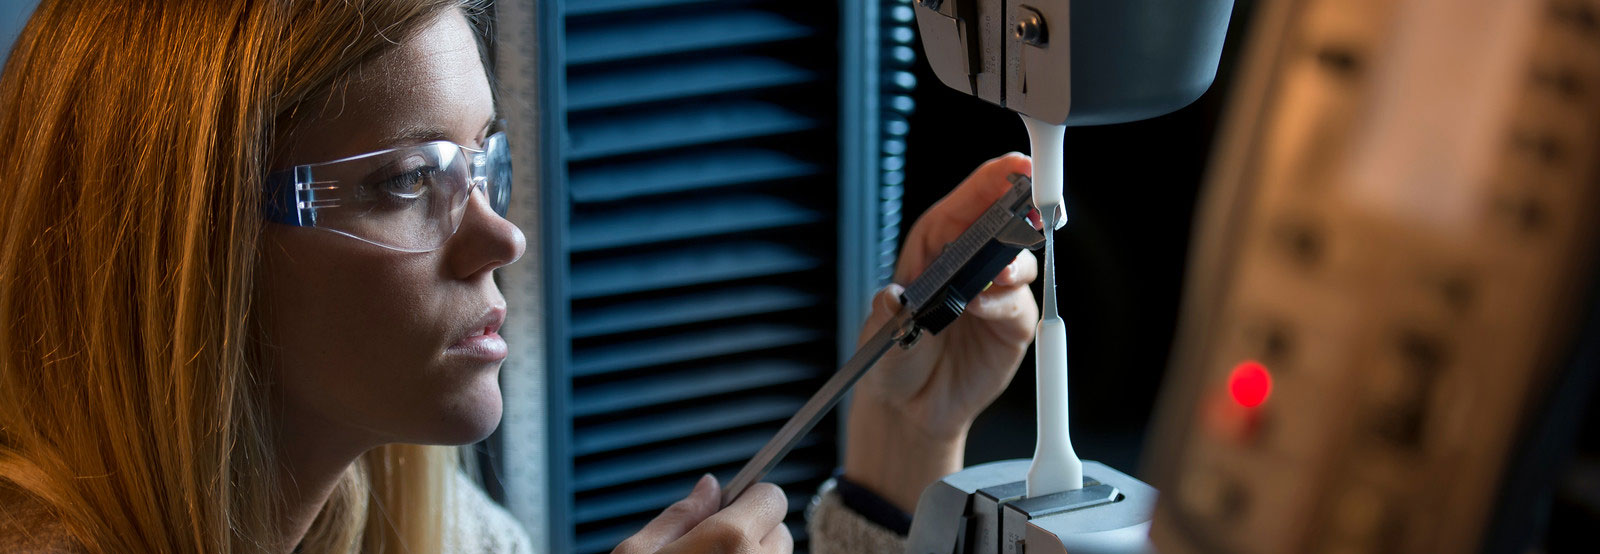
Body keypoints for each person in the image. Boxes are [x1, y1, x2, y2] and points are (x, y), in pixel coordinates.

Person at [0, 1, 1037, 552]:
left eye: (482, 162)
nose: (503, 240)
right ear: (192, 247)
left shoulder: (437, 527)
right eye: (409, 180)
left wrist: (898, 444)